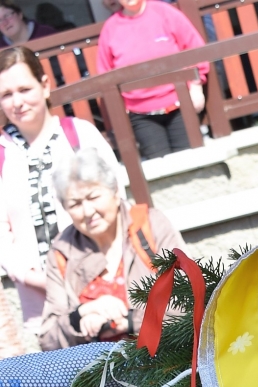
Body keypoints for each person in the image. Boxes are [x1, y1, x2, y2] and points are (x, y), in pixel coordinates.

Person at [0, 45, 121, 345]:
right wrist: (37, 278)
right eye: (6, 94)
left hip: (102, 291)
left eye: (24, 89)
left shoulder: (80, 135)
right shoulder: (2, 153)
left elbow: (115, 200)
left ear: (44, 86)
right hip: (42, 303)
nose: (17, 102)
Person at [39, 145, 182, 347]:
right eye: (75, 204)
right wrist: (81, 315)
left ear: (115, 192)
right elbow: (48, 340)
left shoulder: (151, 226)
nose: (88, 211)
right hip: (99, 365)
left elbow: (190, 298)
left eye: (93, 197)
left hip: (166, 357)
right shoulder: (62, 252)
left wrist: (129, 322)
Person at [95, 0, 209, 159]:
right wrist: (121, 108)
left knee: (191, 160)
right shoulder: (111, 28)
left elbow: (195, 49)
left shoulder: (165, 12)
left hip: (180, 103)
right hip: (140, 114)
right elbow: (105, 75)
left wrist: (196, 86)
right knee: (159, 167)